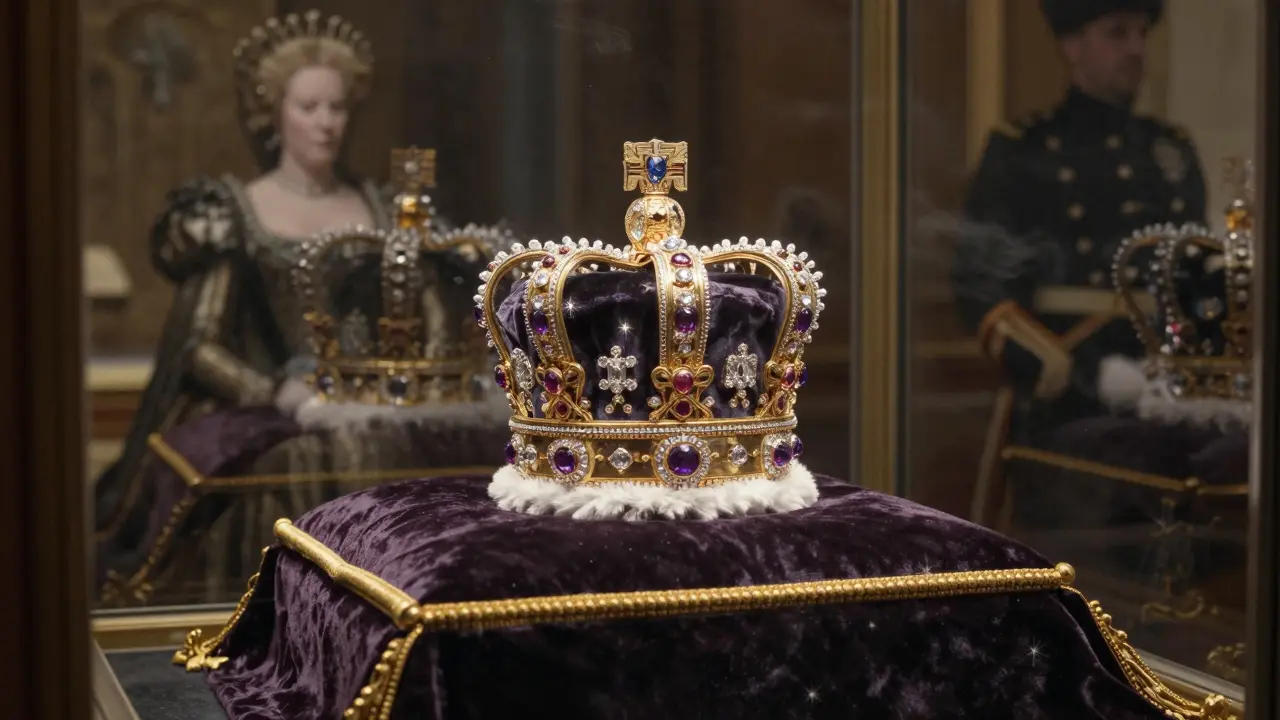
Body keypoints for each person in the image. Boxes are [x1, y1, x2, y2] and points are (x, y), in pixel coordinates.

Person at [93, 11, 394, 604]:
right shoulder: (236, 212)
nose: (326, 123)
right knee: (302, 463)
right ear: (275, 114)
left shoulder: (379, 207)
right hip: (271, 409)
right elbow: (198, 343)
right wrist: (276, 392)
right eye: (309, 107)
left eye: (336, 107)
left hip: (375, 405)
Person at [952, 0, 1208, 445]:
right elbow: (981, 287)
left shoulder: (1170, 152)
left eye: (1142, 34)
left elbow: (1198, 282)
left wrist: (1185, 370)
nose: (1136, 49)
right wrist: (1083, 374)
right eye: (1117, 33)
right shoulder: (1024, 150)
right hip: (1065, 404)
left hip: (1168, 401)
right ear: (1072, 46)